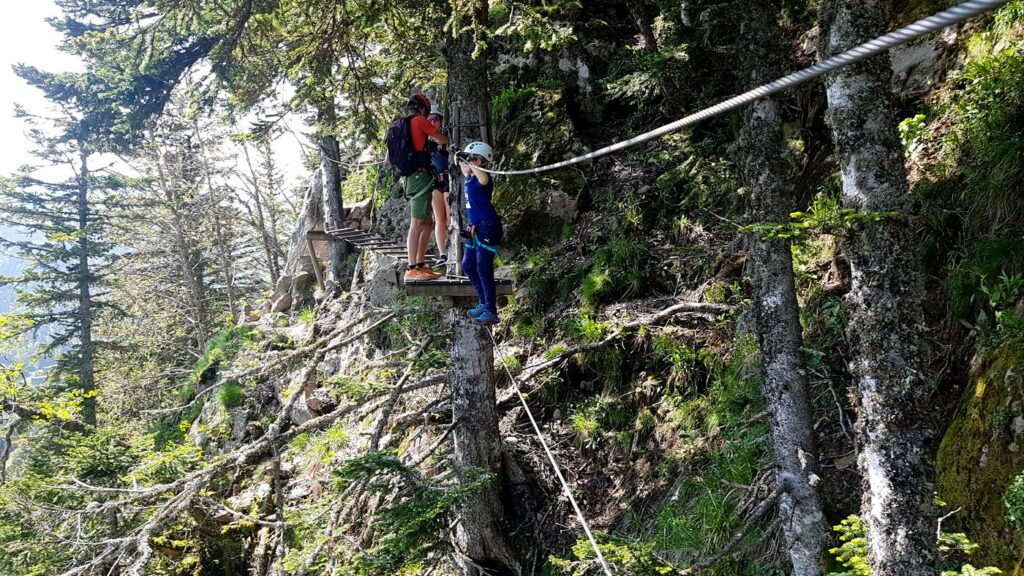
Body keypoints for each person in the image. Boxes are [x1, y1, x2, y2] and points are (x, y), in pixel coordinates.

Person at [401, 93, 449, 281]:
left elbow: (389, 157)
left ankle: (419, 266)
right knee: (417, 223)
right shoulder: (419, 121)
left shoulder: (401, 125)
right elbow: (443, 139)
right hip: (420, 176)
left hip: (412, 176)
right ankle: (412, 268)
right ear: (423, 110)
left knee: (428, 222)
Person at [458, 141, 503, 325]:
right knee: (468, 265)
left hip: (488, 226)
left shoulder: (484, 177)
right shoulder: (469, 177)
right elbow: (463, 168)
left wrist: (472, 163)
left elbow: (483, 179)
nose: (465, 164)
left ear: (478, 160)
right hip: (475, 227)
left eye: (471, 159)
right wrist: (461, 157)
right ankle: (483, 303)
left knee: (483, 267)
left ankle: (491, 310)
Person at [427, 109, 451, 267]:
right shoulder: (426, 140)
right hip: (435, 181)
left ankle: (452, 250)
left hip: (449, 179)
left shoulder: (447, 137)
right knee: (439, 219)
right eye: (429, 119)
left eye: (435, 118)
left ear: (441, 120)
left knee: (450, 217)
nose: (432, 122)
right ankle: (443, 253)